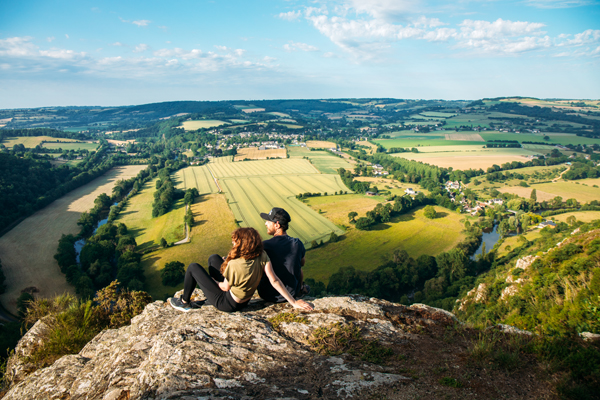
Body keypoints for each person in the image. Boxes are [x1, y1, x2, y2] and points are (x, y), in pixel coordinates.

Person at [170, 227, 313, 313]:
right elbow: (274, 280)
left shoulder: (234, 264)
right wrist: (293, 302)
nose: (232, 243)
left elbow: (225, 287)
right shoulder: (262, 255)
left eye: (235, 241)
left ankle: (184, 302)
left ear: (242, 243)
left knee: (193, 267)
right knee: (214, 258)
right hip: (244, 299)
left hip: (228, 303)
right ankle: (209, 299)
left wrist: (209, 281)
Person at [257, 207, 308, 303]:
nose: (265, 223)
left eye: (268, 221)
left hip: (268, 294)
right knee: (298, 266)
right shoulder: (297, 243)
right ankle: (301, 288)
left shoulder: (265, 245)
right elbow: (302, 263)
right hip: (292, 293)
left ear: (277, 225)